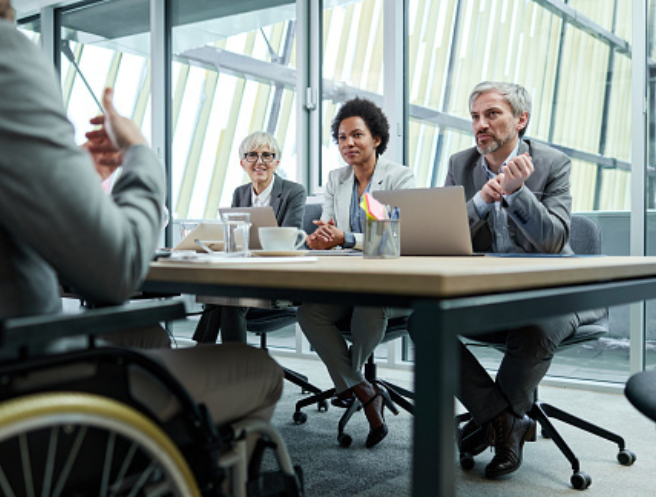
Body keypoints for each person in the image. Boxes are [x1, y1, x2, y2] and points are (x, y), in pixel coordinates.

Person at [0, 0, 282, 432]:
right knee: (254, 367)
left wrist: (71, 182)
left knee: (148, 336)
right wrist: (141, 157)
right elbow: (116, 269)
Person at [444, 81, 604, 478]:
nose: (481, 124)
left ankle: (493, 422)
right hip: (490, 294)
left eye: (492, 114)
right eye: (476, 116)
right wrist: (481, 200)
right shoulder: (460, 165)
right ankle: (504, 420)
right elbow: (447, 237)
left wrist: (517, 194)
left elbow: (553, 241)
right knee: (424, 324)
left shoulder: (553, 164)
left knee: (535, 326)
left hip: (557, 292)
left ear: (521, 120)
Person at [296, 97, 415, 448]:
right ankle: (364, 388)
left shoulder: (398, 177)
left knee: (369, 307)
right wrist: (320, 238)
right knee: (309, 312)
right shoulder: (337, 179)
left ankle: (350, 382)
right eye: (342, 137)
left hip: (392, 287)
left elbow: (391, 239)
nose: (348, 143)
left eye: (357, 135)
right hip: (350, 282)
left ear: (376, 138)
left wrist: (344, 237)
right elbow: (328, 227)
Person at [194, 131, 306, 344]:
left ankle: (210, 354)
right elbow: (235, 241)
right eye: (252, 155)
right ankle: (224, 358)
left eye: (267, 155)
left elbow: (289, 239)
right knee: (223, 294)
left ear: (276, 162)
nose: (260, 161)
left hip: (277, 279)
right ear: (242, 163)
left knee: (226, 297)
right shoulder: (240, 193)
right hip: (246, 277)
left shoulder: (294, 192)